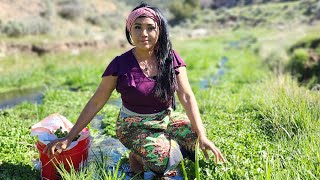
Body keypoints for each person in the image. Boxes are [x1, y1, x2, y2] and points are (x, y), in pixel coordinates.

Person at [44, 2, 226, 178]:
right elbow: (96, 102)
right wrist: (69, 137)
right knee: (162, 160)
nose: (144, 33)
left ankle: (162, 146)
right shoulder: (120, 64)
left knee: (195, 137)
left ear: (159, 30)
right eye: (137, 27)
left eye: (150, 28)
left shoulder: (170, 58)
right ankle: (138, 156)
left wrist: (202, 135)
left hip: (165, 119)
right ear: (129, 29)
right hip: (132, 126)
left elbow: (186, 96)